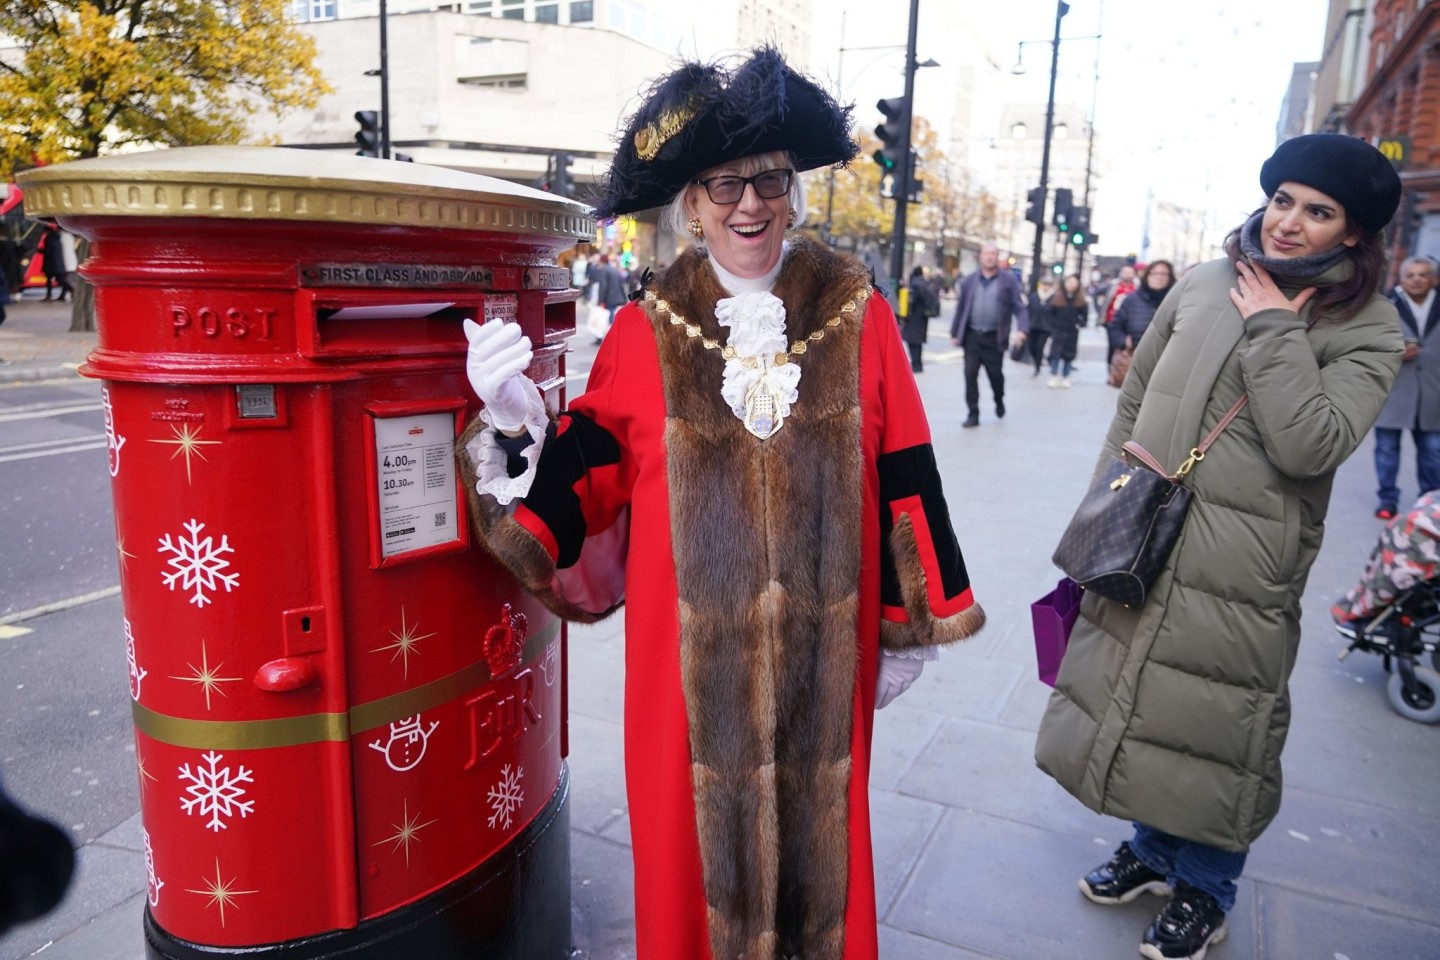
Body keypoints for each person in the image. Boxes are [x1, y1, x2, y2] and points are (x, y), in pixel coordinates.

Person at [458, 47, 985, 960]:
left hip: (827, 666)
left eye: (770, 180)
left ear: (794, 190)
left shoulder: (859, 314)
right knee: (686, 880)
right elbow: (588, 477)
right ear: (691, 205)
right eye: (723, 184)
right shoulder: (641, 331)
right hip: (685, 684)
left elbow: (907, 468)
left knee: (824, 884)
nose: (751, 202)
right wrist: (514, 429)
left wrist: (910, 622)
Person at [1035, 132, 1404, 960]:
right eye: (1284, 201)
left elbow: (1312, 444)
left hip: (1242, 565)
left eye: (1319, 212)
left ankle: (1207, 886)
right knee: (1143, 696)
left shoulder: (1370, 327)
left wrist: (1276, 327)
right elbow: (1133, 405)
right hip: (1144, 534)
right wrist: (1106, 503)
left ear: (1351, 234)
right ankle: (1155, 849)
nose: (1289, 223)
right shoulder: (1204, 283)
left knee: (1217, 728)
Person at [1371, 256, 1440, 519]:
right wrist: (1394, 350)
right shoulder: (1386, 306)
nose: (1417, 279)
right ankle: (1387, 500)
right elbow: (1370, 343)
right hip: (1394, 391)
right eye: (1410, 275)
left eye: (1423, 274)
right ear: (1401, 278)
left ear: (1433, 278)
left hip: (1433, 392)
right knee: (1387, 450)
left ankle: (1430, 503)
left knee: (1433, 451)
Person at [950, 242, 1028, 427]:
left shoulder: (1008, 280)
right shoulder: (969, 280)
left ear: (997, 256)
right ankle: (973, 413)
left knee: (995, 375)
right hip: (972, 336)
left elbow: (1019, 306)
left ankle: (999, 399)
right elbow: (961, 308)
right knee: (970, 374)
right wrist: (955, 332)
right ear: (981, 256)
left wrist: (1022, 329)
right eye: (986, 253)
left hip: (994, 337)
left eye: (993, 253)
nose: (989, 257)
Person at [1112, 260, 1176, 354]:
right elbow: (1114, 326)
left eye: (1164, 274)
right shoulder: (1132, 299)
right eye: (1154, 273)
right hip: (1134, 355)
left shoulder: (1176, 301)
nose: (1159, 277)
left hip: (1166, 358)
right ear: (1147, 276)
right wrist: (1124, 341)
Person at [1044, 273, 1087, 388]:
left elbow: (1084, 313)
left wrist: (1080, 323)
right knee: (1055, 353)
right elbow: (1050, 312)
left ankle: (1066, 376)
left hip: (1072, 330)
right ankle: (1053, 374)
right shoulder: (1057, 297)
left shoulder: (1080, 299)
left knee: (1069, 353)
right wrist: (1052, 325)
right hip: (1058, 329)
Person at [903, 264, 940, 372]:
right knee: (918, 343)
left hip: (914, 318)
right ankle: (918, 364)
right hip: (922, 318)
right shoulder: (924, 283)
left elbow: (912, 302)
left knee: (912, 342)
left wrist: (906, 315)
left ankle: (915, 364)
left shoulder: (915, 284)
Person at [1101, 264, 1138, 365]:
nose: (1127, 275)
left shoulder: (1137, 288)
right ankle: (1111, 369)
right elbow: (1100, 295)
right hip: (1112, 320)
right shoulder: (1114, 286)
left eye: (1129, 273)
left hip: (1130, 322)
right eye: (1125, 272)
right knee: (1113, 346)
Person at [1025, 276, 1057, 377]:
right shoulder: (1034, 296)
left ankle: (1037, 367)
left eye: (1048, 285)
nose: (1045, 287)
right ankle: (1036, 362)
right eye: (1044, 284)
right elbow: (1028, 310)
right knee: (1031, 347)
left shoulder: (1054, 298)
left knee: (1039, 347)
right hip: (1033, 325)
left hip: (1045, 327)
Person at [39, 224, 72, 302]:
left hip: (51, 263)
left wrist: (40, 250)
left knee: (51, 280)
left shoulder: (48, 238)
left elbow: (48, 251)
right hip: (58, 263)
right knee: (60, 279)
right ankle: (70, 290)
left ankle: (49, 295)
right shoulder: (57, 238)